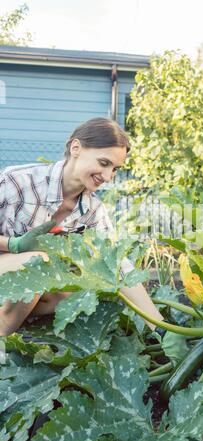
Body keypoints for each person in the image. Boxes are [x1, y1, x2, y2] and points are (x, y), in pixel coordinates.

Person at [0, 117, 165, 336]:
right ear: (76, 148)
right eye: (104, 163)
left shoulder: (93, 210)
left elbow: (116, 266)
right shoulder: (17, 182)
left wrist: (161, 328)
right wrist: (14, 244)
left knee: (74, 293)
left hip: (23, 288)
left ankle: (20, 330)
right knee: (38, 262)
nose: (108, 176)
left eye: (115, 169)